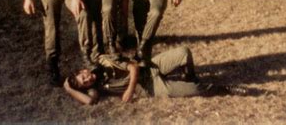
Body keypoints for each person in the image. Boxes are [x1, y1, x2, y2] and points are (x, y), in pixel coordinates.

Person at [63, 46, 204, 104]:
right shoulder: (95, 88)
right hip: (150, 86)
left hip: (148, 67)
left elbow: (133, 67)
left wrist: (129, 90)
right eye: (85, 83)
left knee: (184, 52)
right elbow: (89, 101)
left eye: (84, 77)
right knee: (196, 89)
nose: (88, 79)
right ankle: (222, 88)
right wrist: (69, 89)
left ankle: (189, 75)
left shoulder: (103, 62)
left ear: (83, 70)